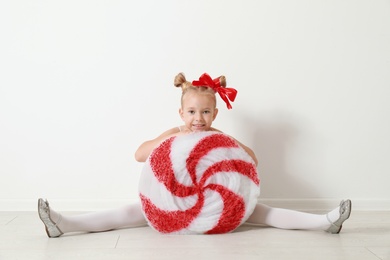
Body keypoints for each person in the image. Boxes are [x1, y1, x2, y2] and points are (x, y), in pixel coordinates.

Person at [38, 72, 352, 238]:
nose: (197, 118)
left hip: (218, 208)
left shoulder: (218, 139)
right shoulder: (175, 134)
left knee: (264, 213)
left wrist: (231, 148)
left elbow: (251, 160)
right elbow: (139, 154)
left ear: (215, 113)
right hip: (171, 205)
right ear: (181, 112)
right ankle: (65, 224)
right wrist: (172, 141)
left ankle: (325, 223)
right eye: (191, 111)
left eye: (205, 112)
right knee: (128, 214)